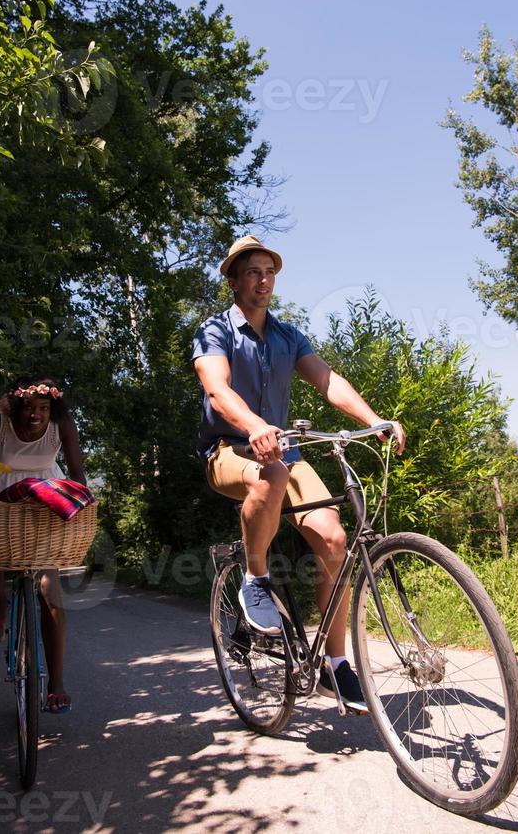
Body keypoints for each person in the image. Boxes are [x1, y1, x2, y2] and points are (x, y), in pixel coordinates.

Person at [192, 235, 406, 711]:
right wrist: (254, 425)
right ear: (233, 279)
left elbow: (329, 381)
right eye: (252, 271)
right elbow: (217, 390)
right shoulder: (215, 331)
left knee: (334, 539)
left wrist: (373, 420)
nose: (263, 279)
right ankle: (254, 580)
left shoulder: (289, 336)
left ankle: (335, 666)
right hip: (228, 450)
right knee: (268, 473)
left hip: (283, 452)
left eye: (269, 271)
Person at [0, 375, 87, 713]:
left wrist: (82, 500)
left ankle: (55, 682)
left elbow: (77, 471)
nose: (34, 415)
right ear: (14, 406)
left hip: (46, 496)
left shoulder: (62, 423)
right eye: (27, 407)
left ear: (52, 409)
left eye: (42, 408)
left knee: (49, 592)